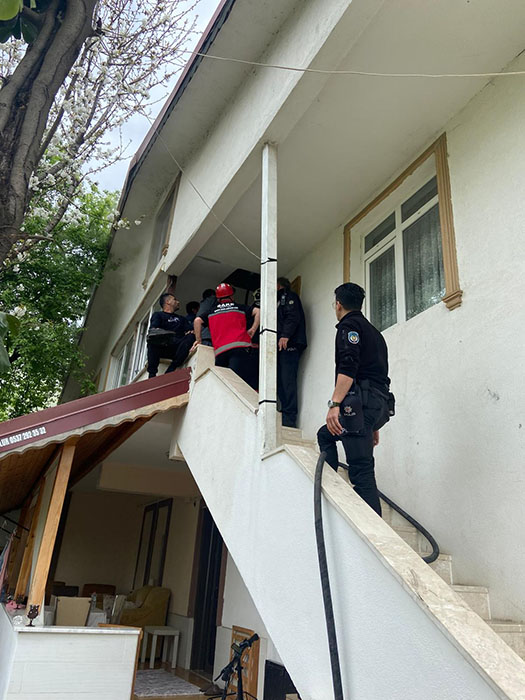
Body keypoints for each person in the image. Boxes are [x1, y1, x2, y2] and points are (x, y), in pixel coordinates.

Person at [317, 283, 391, 516]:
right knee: (325, 434)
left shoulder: (348, 327)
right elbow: (379, 374)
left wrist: (334, 404)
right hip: (376, 405)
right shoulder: (375, 333)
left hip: (359, 406)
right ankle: (331, 486)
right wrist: (373, 424)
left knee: (361, 471)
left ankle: (373, 532)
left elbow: (348, 367)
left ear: (338, 304)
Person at [193, 283, 259, 389]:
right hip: (239, 349)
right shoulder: (239, 307)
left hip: (220, 352)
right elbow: (257, 311)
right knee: (239, 383)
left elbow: (197, 321)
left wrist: (198, 340)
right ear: (231, 296)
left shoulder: (212, 311)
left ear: (218, 298)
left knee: (224, 385)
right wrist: (253, 329)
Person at [277, 277, 307, 428]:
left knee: (287, 380)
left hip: (290, 344)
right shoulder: (277, 301)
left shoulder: (289, 297)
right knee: (280, 382)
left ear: (279, 286)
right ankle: (284, 415)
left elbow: (292, 317)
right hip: (281, 346)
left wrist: (285, 335)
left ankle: (289, 419)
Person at [146, 293, 195, 378]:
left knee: (190, 337)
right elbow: (154, 330)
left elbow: (191, 330)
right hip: (164, 345)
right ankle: (152, 374)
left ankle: (172, 368)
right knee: (152, 341)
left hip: (178, 348)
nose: (178, 302)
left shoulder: (181, 319)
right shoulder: (158, 315)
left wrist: (190, 332)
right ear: (168, 302)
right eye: (175, 299)